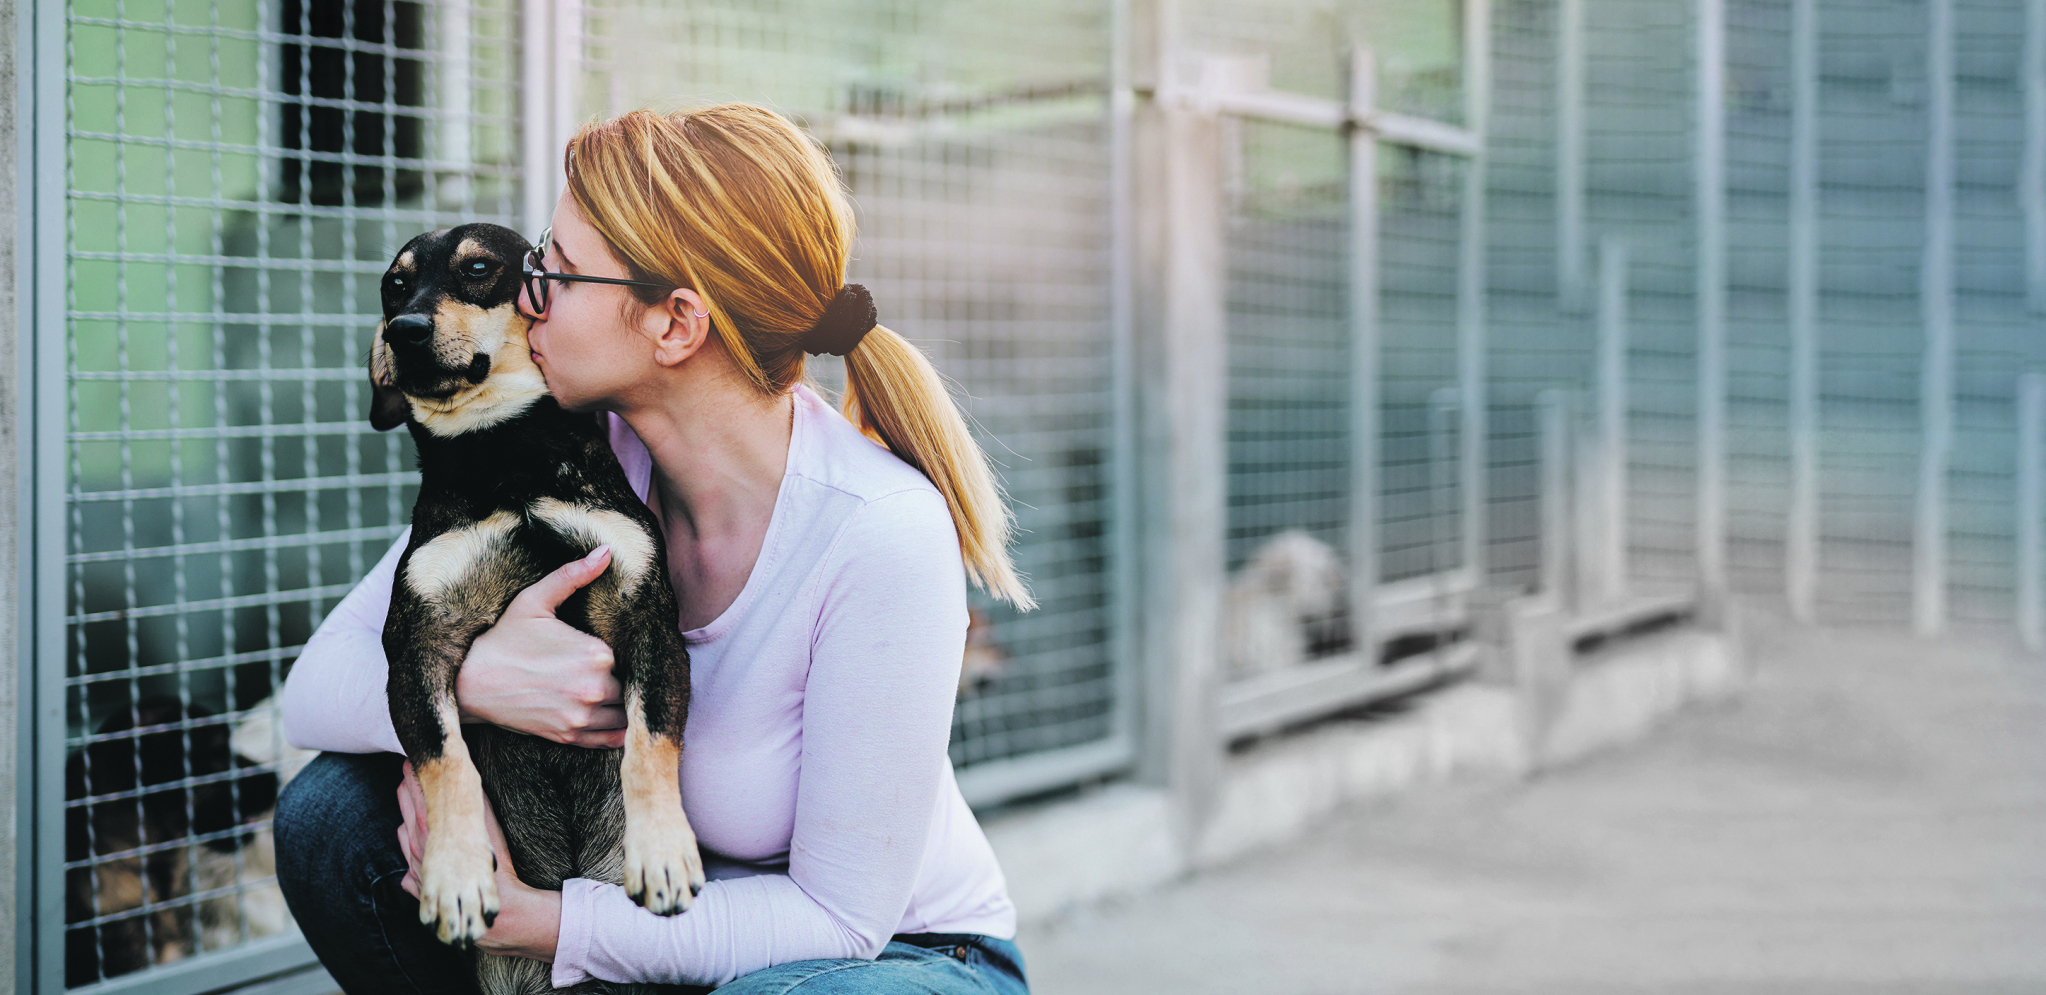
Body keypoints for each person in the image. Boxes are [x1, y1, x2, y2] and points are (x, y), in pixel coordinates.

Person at [273, 103, 1033, 995]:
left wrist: (548, 925)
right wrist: (476, 685)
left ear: (674, 323)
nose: (524, 298)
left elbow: (841, 920)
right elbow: (316, 688)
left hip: (881, 959)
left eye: (555, 272)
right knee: (332, 815)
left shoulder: (878, 530)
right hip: (642, 923)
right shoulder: (579, 454)